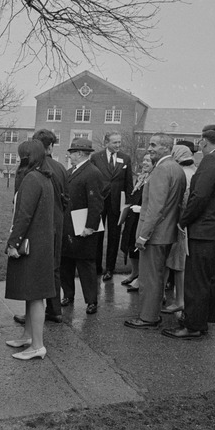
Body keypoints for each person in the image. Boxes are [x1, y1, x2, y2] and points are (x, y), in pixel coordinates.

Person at [163, 125, 215, 339]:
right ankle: (203, 319)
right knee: (209, 277)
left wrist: (184, 220)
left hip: (204, 229)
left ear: (205, 141)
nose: (200, 145)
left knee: (196, 278)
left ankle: (192, 326)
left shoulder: (211, 160)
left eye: (200, 142)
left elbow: (200, 196)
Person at [124, 135, 186, 329]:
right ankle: (152, 313)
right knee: (158, 276)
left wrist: (143, 235)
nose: (149, 149)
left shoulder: (161, 169)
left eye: (153, 145)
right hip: (166, 233)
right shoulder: (177, 168)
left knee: (151, 278)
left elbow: (155, 207)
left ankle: (148, 317)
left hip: (155, 235)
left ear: (166, 148)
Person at [5, 140, 57, 360]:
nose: (18, 159)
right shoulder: (43, 177)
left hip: (31, 245)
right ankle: (28, 336)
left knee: (35, 296)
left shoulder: (31, 179)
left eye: (21, 156)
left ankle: (37, 346)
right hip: (41, 243)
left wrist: (13, 243)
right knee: (31, 293)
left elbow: (23, 215)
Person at [13, 129, 69, 326]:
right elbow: (66, 197)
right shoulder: (60, 167)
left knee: (34, 270)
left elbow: (20, 204)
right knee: (53, 266)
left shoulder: (30, 171)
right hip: (57, 222)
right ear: (51, 146)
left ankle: (34, 314)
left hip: (37, 225)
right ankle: (55, 310)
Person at [60, 137, 104, 315]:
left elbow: (96, 202)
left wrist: (90, 227)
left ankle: (91, 300)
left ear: (79, 153)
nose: (69, 155)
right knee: (66, 262)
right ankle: (68, 295)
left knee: (85, 265)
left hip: (83, 228)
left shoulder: (92, 172)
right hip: (69, 226)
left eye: (71, 153)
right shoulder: (72, 171)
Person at [90, 131, 133, 281]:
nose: (118, 145)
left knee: (114, 237)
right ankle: (96, 267)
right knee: (97, 235)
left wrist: (128, 204)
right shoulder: (96, 157)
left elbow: (128, 184)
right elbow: (92, 180)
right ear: (106, 142)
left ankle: (110, 269)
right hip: (100, 202)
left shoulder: (125, 158)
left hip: (117, 203)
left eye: (119, 142)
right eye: (115, 142)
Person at [160, 143, 197, 315]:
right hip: (187, 223)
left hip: (180, 223)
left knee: (177, 263)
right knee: (174, 262)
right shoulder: (194, 171)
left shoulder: (183, 174)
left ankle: (179, 300)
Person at [118, 152, 155, 291]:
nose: (145, 163)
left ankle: (141, 278)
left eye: (149, 161)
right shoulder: (141, 177)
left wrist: (142, 209)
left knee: (139, 249)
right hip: (132, 217)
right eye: (144, 160)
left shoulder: (154, 179)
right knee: (129, 245)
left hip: (143, 218)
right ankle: (134, 272)